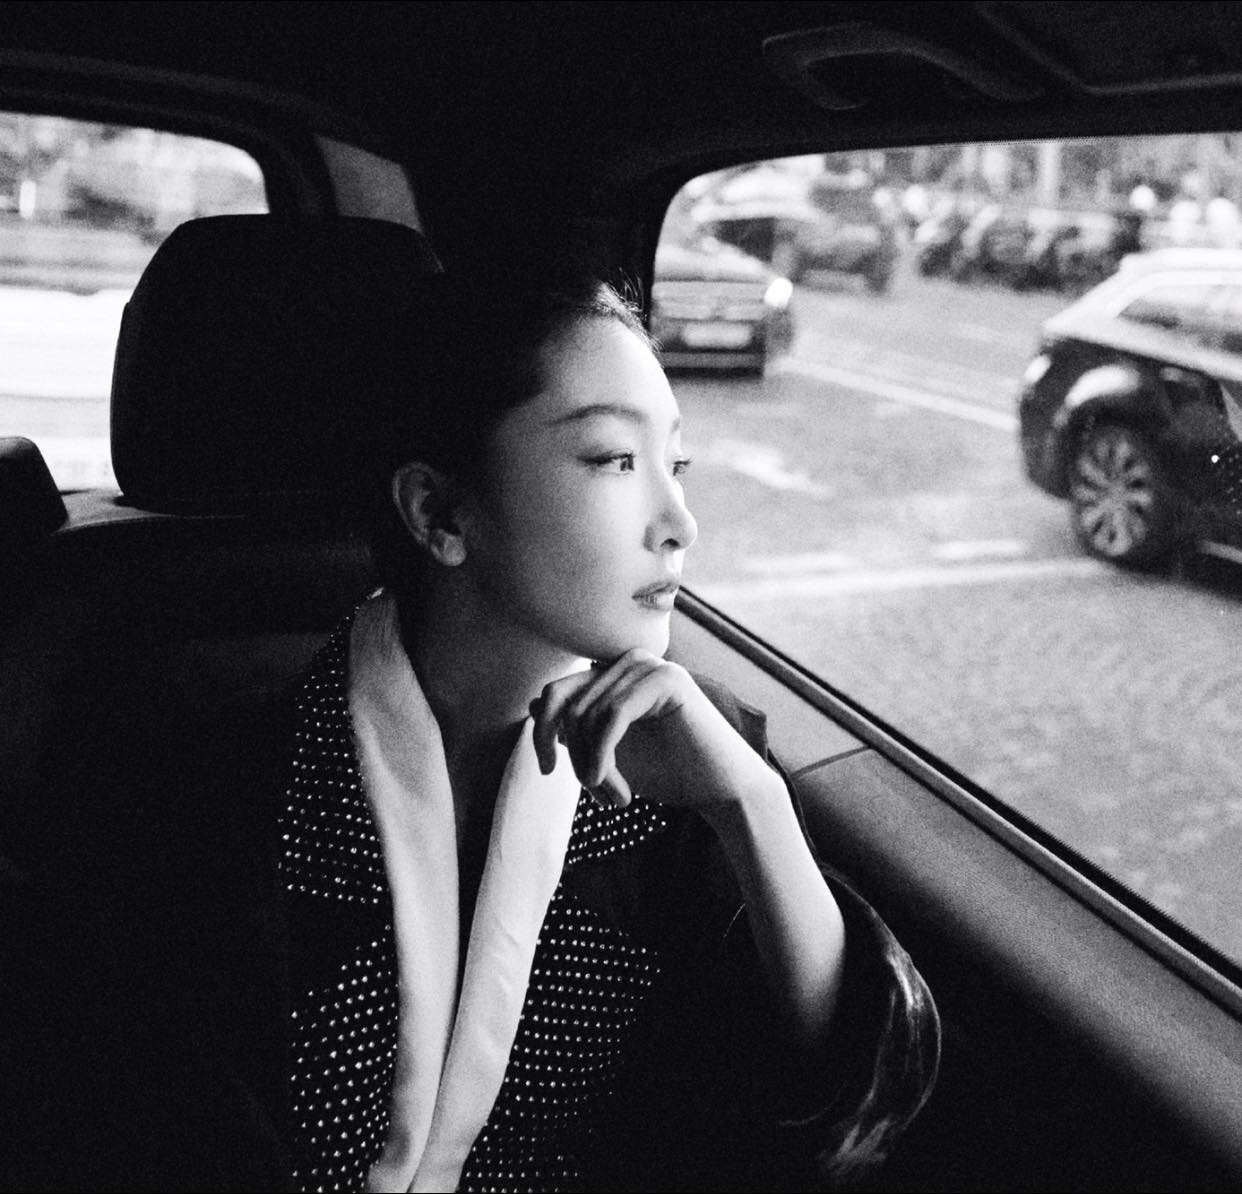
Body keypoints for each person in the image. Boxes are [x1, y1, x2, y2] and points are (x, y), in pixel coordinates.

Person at [267, 277, 938, 1192]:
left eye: (676, 464)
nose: (679, 524)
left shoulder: (689, 761)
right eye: (615, 459)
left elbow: (841, 1113)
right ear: (439, 512)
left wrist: (752, 805)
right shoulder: (233, 787)